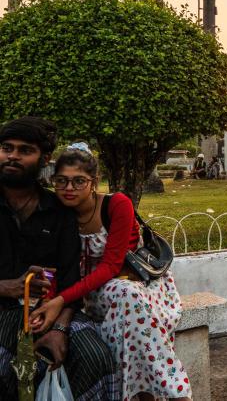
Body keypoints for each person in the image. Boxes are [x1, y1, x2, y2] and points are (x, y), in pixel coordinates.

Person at [30, 143, 192, 401]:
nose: (69, 189)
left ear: (93, 182)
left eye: (78, 181)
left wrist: (60, 300)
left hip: (135, 288)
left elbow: (111, 266)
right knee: (126, 319)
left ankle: (174, 392)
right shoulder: (58, 215)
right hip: (84, 298)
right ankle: (161, 392)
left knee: (124, 297)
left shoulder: (117, 204)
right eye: (61, 181)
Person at [0, 117, 119, 400]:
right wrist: (6, 287)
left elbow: (70, 279)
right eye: (6, 147)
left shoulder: (58, 211)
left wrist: (61, 329)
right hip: (3, 312)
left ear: (45, 159)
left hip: (50, 312)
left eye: (25, 150)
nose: (13, 156)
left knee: (95, 357)